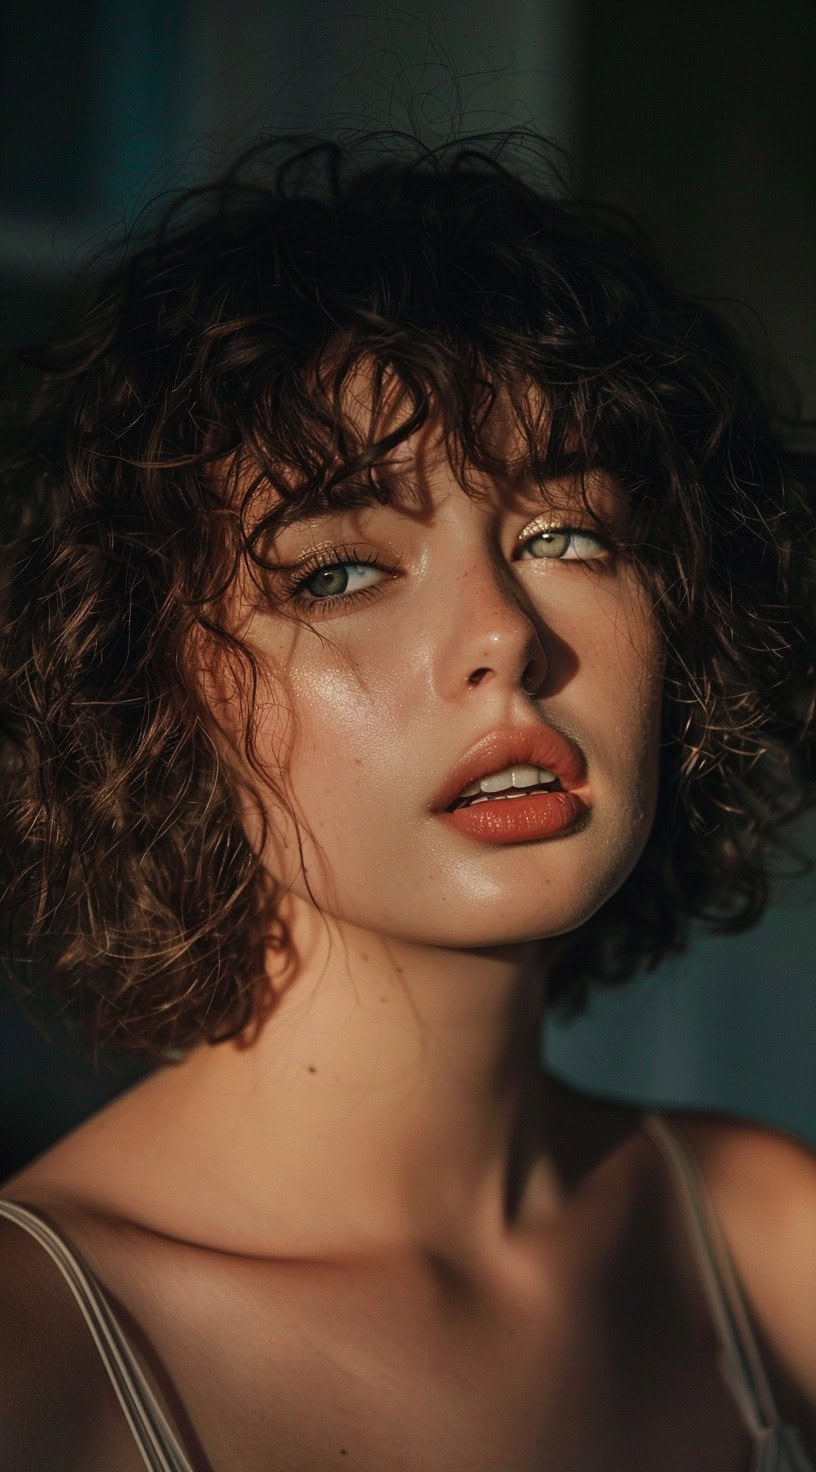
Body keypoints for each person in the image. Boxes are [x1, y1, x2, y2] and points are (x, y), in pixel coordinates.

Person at [0, 130, 814, 1472]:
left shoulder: (768, 1239)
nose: (503, 635)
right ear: (157, 689)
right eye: (338, 573)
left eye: (569, 538)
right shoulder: (41, 1353)